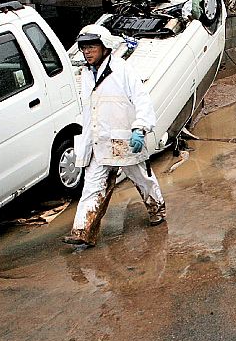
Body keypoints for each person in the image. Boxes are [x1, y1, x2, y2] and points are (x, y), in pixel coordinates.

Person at [63, 24, 166, 247]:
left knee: (142, 179)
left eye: (92, 47)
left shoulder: (122, 69)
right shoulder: (86, 75)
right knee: (92, 186)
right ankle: (83, 231)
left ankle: (156, 209)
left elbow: (142, 99)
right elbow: (89, 111)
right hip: (99, 141)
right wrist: (85, 142)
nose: (87, 52)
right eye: (84, 48)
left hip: (124, 140)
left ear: (105, 47)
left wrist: (140, 128)